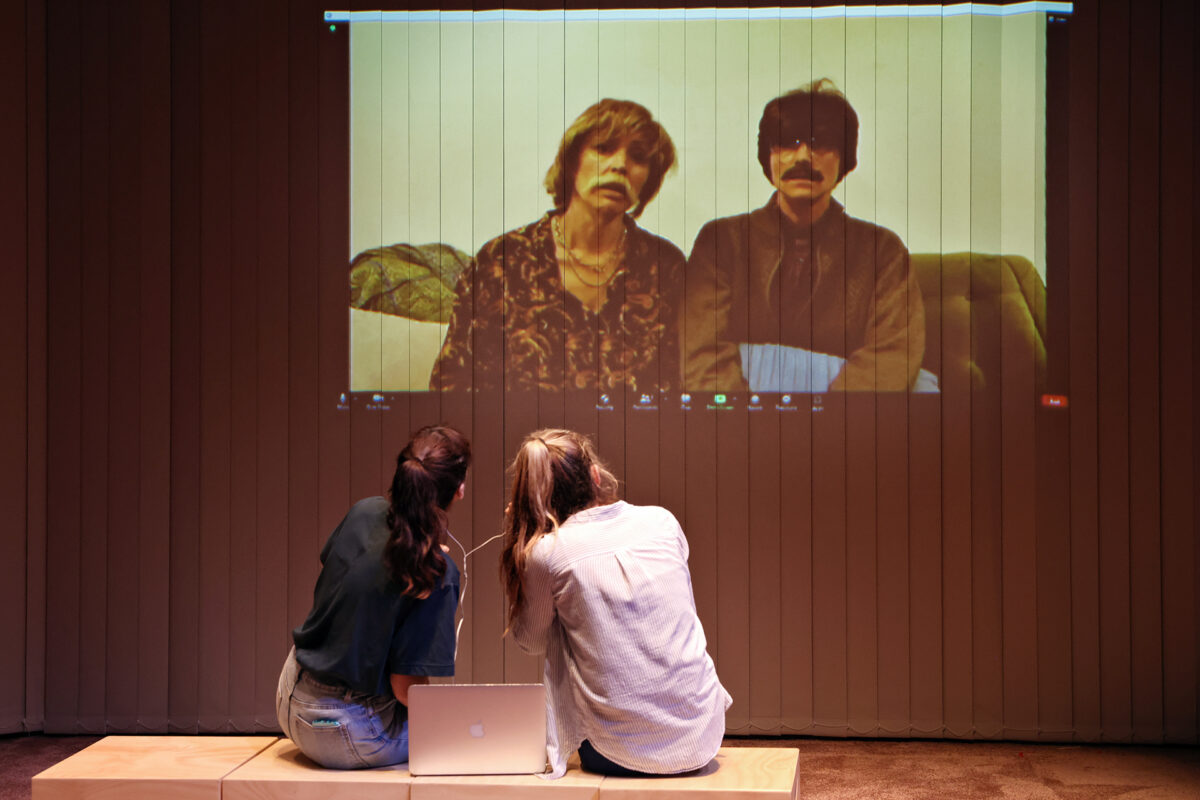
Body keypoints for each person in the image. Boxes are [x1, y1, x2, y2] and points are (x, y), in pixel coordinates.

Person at [499, 429, 731, 779]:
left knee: (565, 631)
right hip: (702, 735)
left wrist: (524, 539)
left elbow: (530, 641)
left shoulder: (547, 553)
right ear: (595, 476)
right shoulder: (662, 520)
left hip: (614, 753)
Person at [682, 79, 927, 392]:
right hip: (741, 411)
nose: (802, 157)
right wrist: (745, 426)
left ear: (845, 160)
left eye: (820, 143)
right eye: (787, 143)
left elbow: (893, 354)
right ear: (767, 157)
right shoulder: (721, 240)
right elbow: (702, 353)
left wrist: (828, 428)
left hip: (847, 413)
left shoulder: (882, 249)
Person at [431, 99, 684, 394]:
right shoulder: (503, 260)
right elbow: (451, 384)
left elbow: (682, 385)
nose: (619, 165)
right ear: (573, 160)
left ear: (649, 179)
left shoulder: (666, 266)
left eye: (638, 158)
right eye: (604, 148)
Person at [275, 425, 471, 769]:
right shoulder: (436, 573)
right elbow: (405, 689)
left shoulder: (363, 512)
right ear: (459, 490)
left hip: (289, 701)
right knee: (463, 735)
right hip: (343, 732)